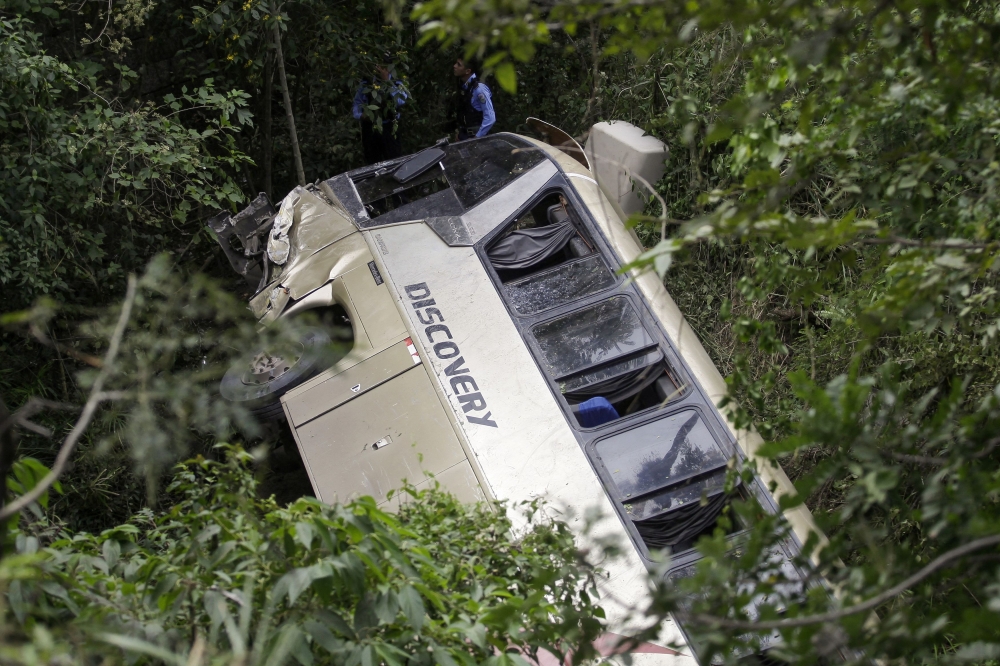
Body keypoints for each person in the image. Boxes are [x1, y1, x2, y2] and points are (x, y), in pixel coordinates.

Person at [352, 62, 408, 164]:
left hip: (390, 128)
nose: (380, 69)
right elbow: (357, 102)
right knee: (372, 163)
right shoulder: (367, 83)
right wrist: (361, 115)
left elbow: (401, 101)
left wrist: (387, 81)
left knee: (394, 162)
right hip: (370, 129)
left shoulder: (396, 82)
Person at [453, 58, 496, 141]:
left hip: (476, 138)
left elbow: (490, 117)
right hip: (465, 136)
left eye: (459, 65)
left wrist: (477, 137)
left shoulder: (479, 89)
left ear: (467, 71)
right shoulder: (465, 87)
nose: (454, 66)